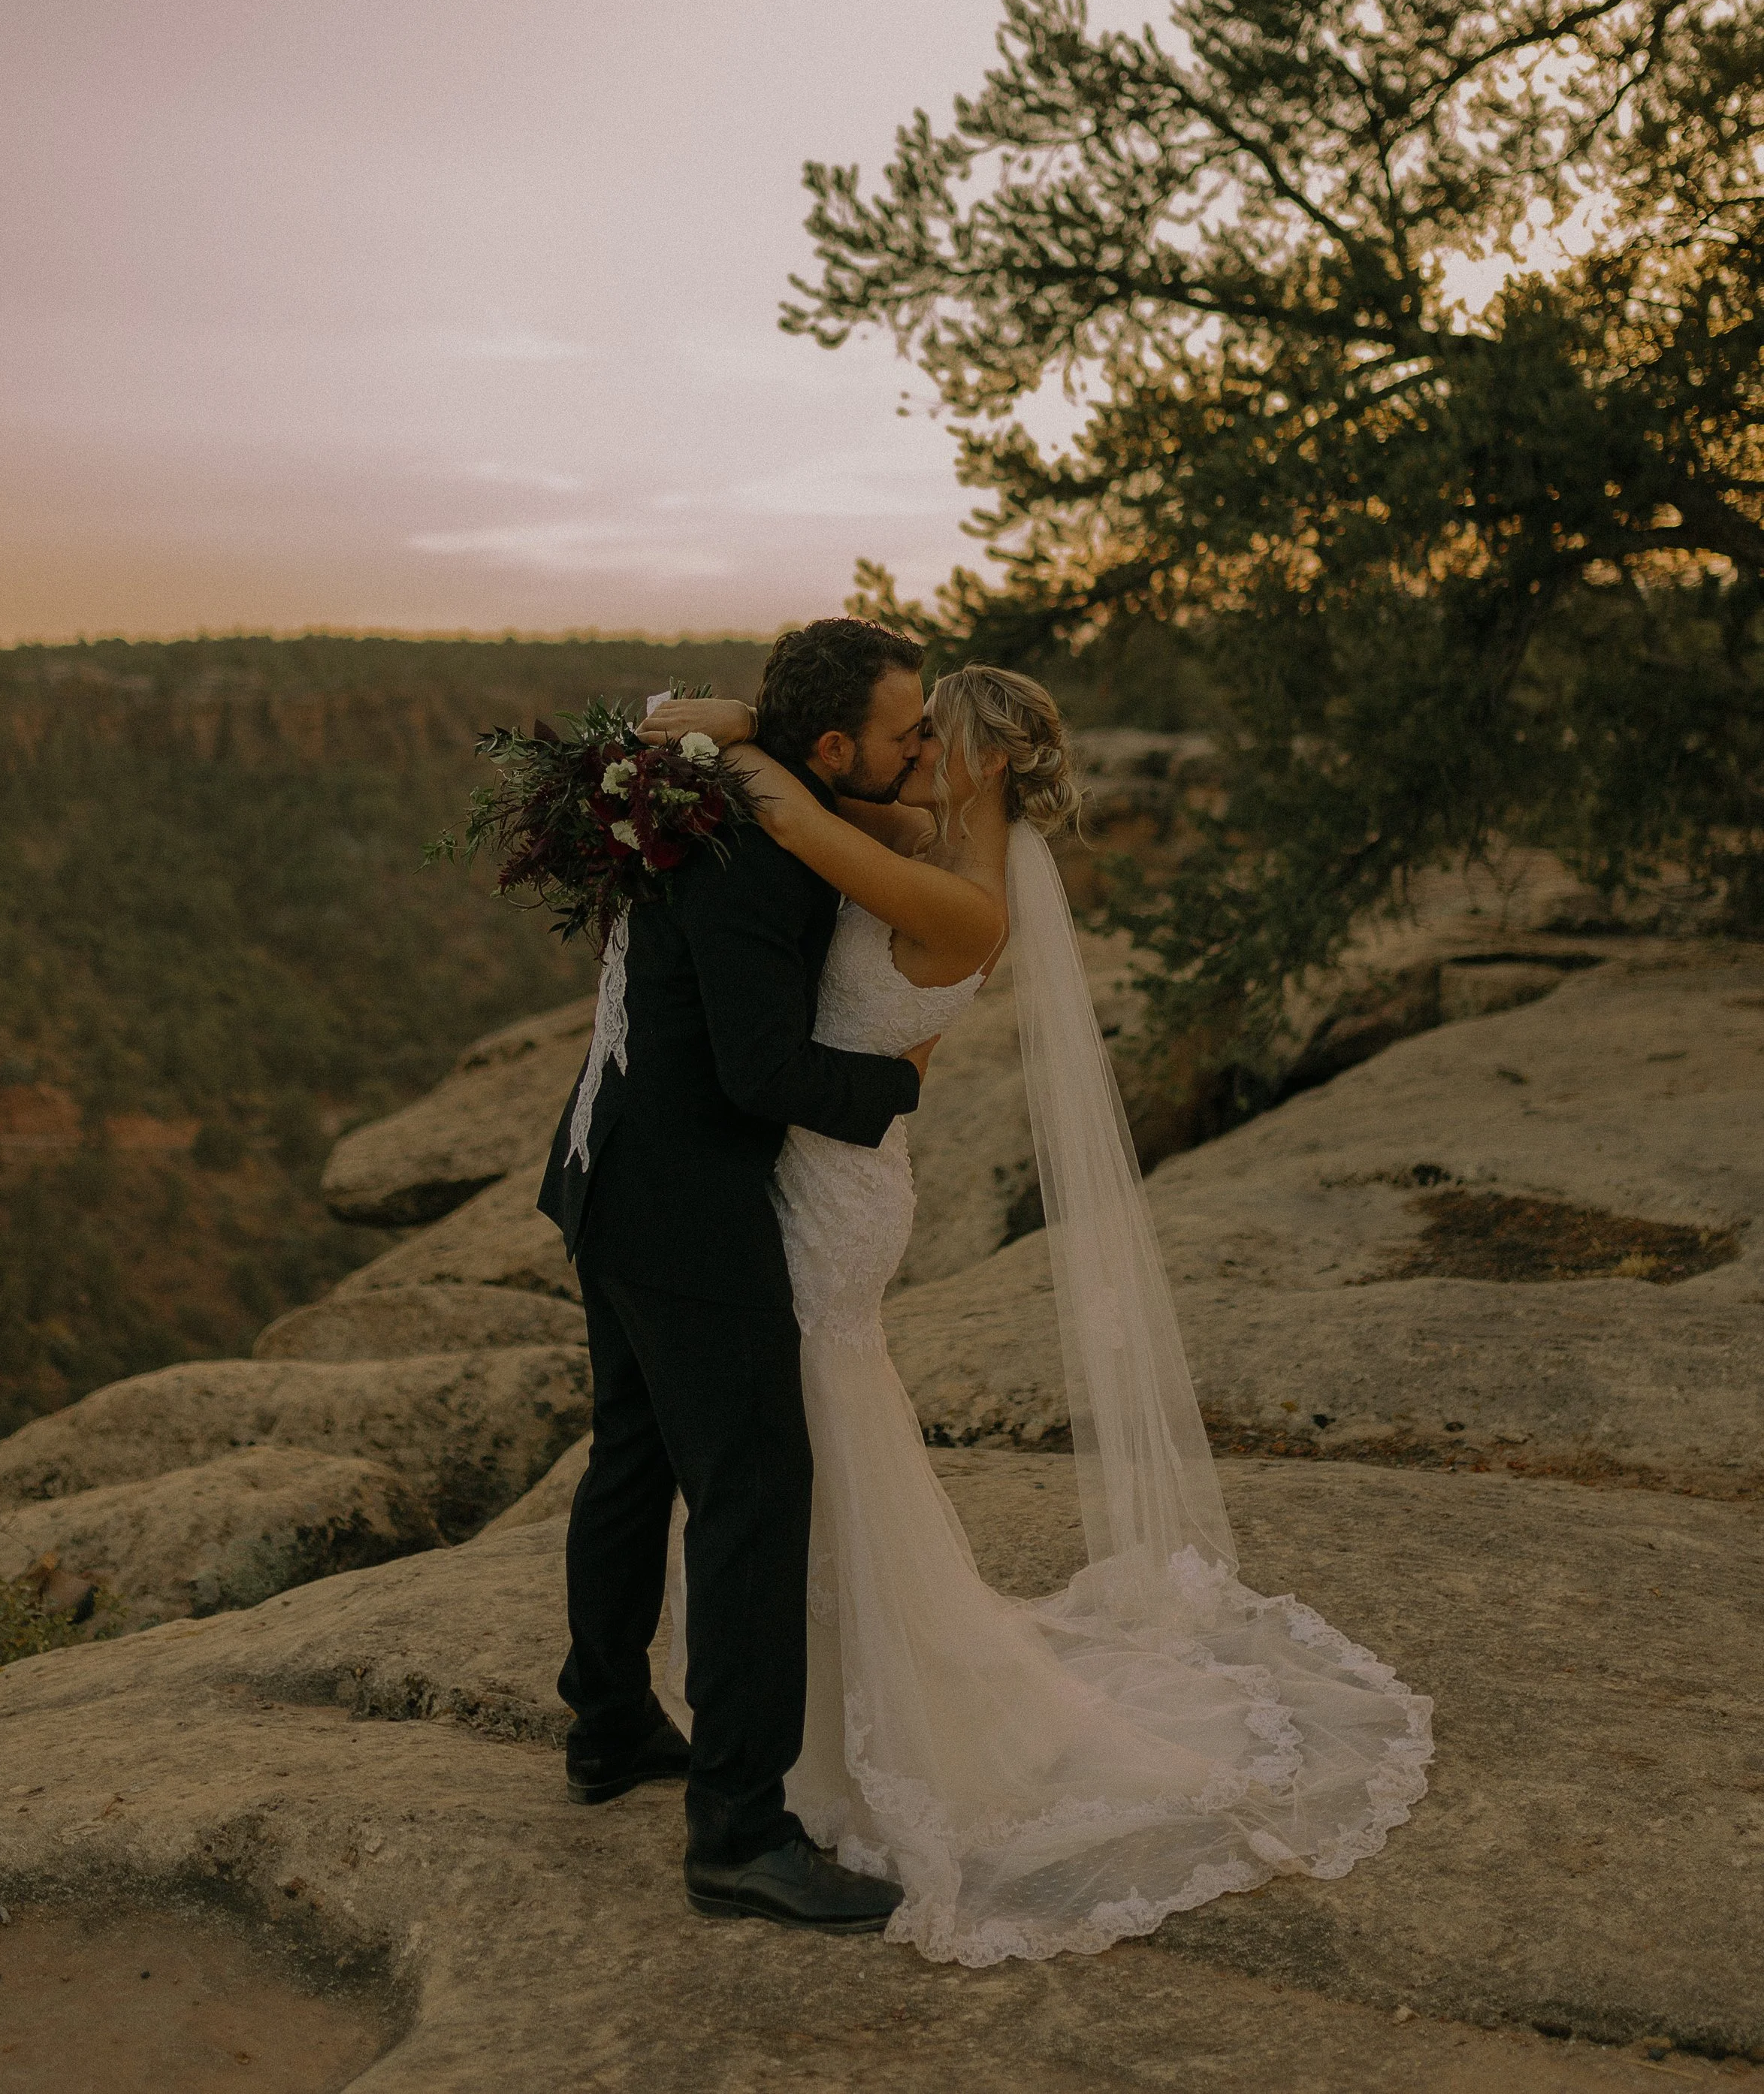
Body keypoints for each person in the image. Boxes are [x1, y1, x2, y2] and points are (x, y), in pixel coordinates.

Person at [633, 663, 1433, 1966]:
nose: (907, 753)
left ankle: (826, 1751)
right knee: (808, 1452)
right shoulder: (921, 838)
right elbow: (761, 768)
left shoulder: (954, 895)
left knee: (808, 1441)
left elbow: (785, 814)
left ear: (982, 761)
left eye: (926, 736)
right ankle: (814, 1725)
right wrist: (734, 724)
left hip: (830, 1195)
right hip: (817, 1171)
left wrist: (750, 752)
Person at [537, 617, 935, 1931]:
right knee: (754, 1488)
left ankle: (605, 1727)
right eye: (903, 730)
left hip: (607, 1159)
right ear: (834, 746)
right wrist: (899, 1084)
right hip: (683, 1205)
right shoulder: (763, 855)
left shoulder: (726, 786)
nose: (919, 744)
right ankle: (740, 1832)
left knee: (635, 1451)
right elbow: (761, 1072)